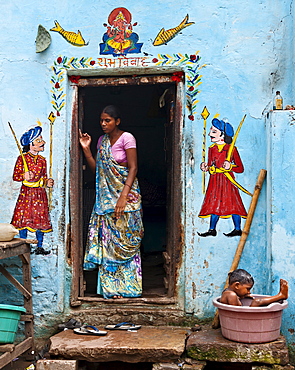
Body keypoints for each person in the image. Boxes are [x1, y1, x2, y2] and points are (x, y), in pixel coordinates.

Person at [79, 105, 144, 299]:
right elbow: (98, 171)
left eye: (107, 120)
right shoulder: (102, 141)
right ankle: (111, 289)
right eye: (101, 120)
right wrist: (87, 149)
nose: (103, 124)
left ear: (117, 121)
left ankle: (130, 288)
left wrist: (123, 197)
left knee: (128, 239)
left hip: (128, 198)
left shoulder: (127, 138)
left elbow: (133, 168)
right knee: (109, 243)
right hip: (107, 201)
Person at [198, 118, 247, 237]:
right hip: (215, 181)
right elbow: (211, 167)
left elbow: (240, 168)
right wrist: (206, 167)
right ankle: (212, 229)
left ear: (223, 135)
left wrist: (230, 166)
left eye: (214, 132)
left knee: (233, 204)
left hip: (227, 180)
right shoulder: (211, 149)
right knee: (214, 203)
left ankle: (237, 228)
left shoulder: (231, 149)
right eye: (211, 131)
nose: (210, 134)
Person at [11, 126, 53, 255]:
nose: (43, 142)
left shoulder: (42, 160)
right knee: (24, 218)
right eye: (39, 140)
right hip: (27, 193)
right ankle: (23, 245)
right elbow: (16, 176)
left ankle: (39, 246)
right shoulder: (22, 159)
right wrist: (24, 176)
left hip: (39, 194)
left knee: (40, 219)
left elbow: (44, 177)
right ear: (30, 144)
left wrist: (47, 182)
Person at [220, 269, 288, 307]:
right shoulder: (232, 295)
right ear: (237, 285)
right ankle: (280, 296)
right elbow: (236, 312)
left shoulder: (227, 292)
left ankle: (279, 297)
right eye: (248, 289)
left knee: (255, 301)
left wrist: (243, 296)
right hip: (240, 320)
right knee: (257, 302)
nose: (249, 292)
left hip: (238, 318)